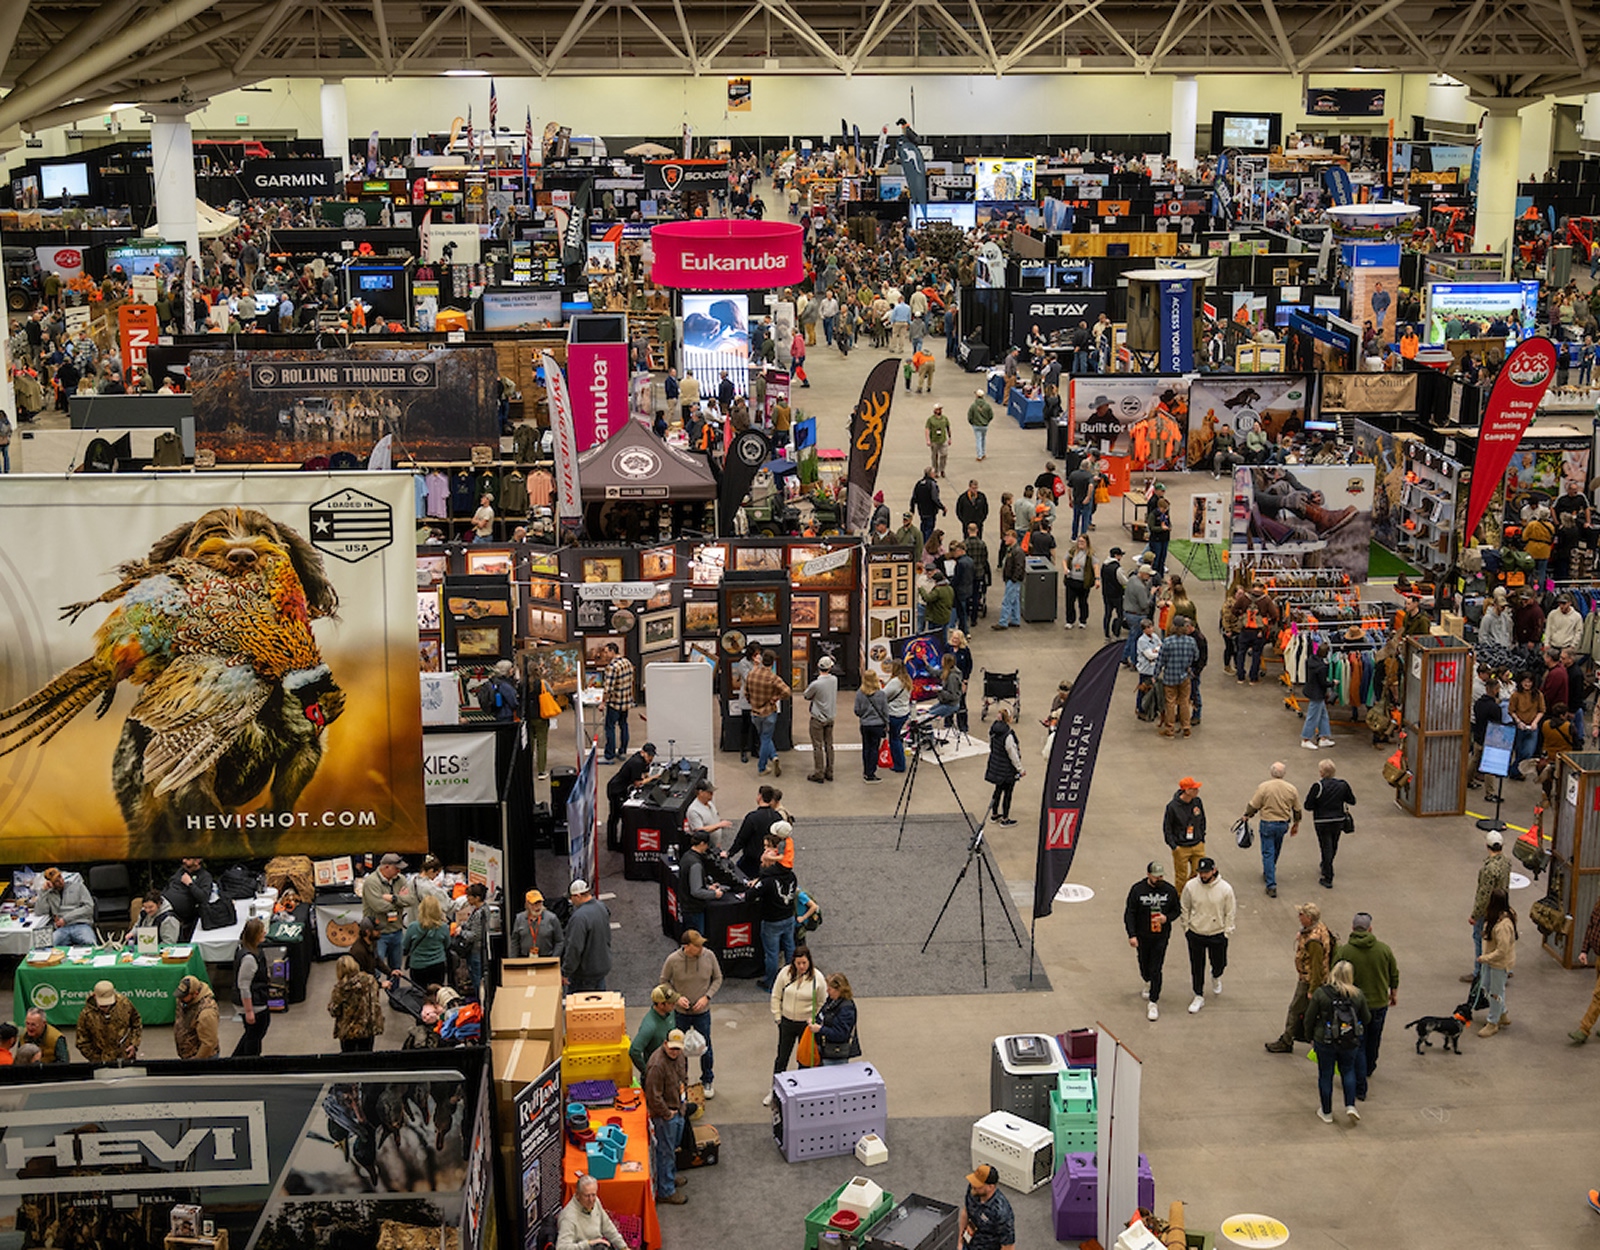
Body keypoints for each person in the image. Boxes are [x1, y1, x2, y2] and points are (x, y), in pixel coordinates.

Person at [1332, 911, 1399, 1097]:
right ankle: (1369, 1067)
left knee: (1358, 1044)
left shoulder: (1344, 951)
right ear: (1370, 929)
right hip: (1379, 1003)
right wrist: (1393, 992)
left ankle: (1360, 1080)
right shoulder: (1384, 950)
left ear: (1353, 928)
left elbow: (1334, 974)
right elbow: (1394, 973)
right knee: (1374, 1037)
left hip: (1354, 1006)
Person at [1305, 960, 1371, 1125]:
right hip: (1349, 1040)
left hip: (1325, 1040)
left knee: (1325, 1074)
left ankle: (1326, 1112)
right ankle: (1350, 1105)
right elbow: (1367, 1018)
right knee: (1348, 1071)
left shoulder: (1321, 994)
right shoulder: (1357, 995)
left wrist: (1310, 1036)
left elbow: (1309, 1018)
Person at [1264, 902, 1334, 1054]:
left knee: (1295, 1010)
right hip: (1312, 980)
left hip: (1308, 981)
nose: (1298, 917)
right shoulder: (1319, 928)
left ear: (1309, 918)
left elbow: (1316, 967)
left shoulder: (1314, 941)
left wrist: (1312, 989)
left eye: (1301, 915)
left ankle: (1287, 1040)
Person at [661, 929, 723, 1097]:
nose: (701, 948)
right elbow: (664, 981)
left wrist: (707, 997)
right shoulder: (673, 960)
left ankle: (707, 1080)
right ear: (687, 946)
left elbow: (718, 978)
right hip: (680, 1013)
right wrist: (676, 998)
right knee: (679, 1048)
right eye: (697, 946)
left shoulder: (709, 956)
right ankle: (682, 1081)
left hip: (702, 1012)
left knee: (705, 1046)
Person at [1125, 861, 1181, 1022]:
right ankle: (1147, 980)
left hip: (1160, 936)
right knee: (1144, 965)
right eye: (1156, 876)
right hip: (1142, 936)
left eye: (1161, 876)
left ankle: (1153, 1001)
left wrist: (1166, 918)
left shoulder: (1169, 891)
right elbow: (1130, 913)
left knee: (1156, 968)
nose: (1159, 879)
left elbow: (1177, 910)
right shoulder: (1138, 890)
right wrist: (1132, 935)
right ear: (1148, 875)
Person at [1180, 857, 1235, 1014]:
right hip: (1196, 932)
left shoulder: (1225, 889)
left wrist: (1227, 932)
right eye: (1201, 872)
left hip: (1217, 933)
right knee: (1196, 966)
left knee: (1220, 963)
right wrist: (1186, 927)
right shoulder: (1191, 886)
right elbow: (1185, 906)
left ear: (1214, 870)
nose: (1203, 875)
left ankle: (1216, 975)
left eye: (1206, 872)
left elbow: (1230, 911)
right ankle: (1198, 995)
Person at [768, 946, 824, 1097]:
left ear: (809, 962)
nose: (801, 966)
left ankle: (803, 1091)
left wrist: (813, 1019)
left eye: (804, 963)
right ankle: (775, 1091)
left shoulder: (817, 978)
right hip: (786, 1022)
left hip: (806, 1025)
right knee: (782, 1058)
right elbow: (776, 995)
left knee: (804, 1058)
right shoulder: (785, 973)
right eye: (798, 963)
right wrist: (778, 1017)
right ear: (793, 962)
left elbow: (822, 1002)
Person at [1243, 761, 1303, 898]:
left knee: (1267, 852)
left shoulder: (1264, 787)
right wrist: (1296, 823)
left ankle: (1271, 883)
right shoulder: (1291, 789)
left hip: (1267, 823)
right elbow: (1297, 809)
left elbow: (1254, 804)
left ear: (1271, 772)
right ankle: (1270, 870)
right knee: (1276, 849)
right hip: (1282, 823)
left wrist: (1247, 815)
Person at [644, 1029, 689, 1204]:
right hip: (665, 1116)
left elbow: (683, 1079)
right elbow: (653, 1096)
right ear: (665, 1044)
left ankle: (669, 1176)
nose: (675, 1052)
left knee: (672, 1148)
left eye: (678, 1048)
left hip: (678, 1109)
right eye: (672, 1048)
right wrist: (667, 1113)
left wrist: (683, 1105)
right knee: (665, 1152)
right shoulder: (657, 1065)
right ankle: (666, 1190)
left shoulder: (681, 1057)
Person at [752, 835, 800, 990]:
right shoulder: (791, 876)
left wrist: (760, 878)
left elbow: (750, 896)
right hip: (788, 917)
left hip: (772, 921)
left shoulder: (767, 881)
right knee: (790, 949)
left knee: (772, 953)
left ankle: (770, 982)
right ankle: (793, 978)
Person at [1465, 830, 1511, 982]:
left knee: (1480, 938)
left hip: (1489, 910)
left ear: (1487, 846)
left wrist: (1475, 915)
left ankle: (1479, 972)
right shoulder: (1506, 863)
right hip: (1502, 907)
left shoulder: (1488, 869)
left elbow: (1484, 895)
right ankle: (1505, 968)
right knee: (1501, 939)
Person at [1305, 760, 1356, 889]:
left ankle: (1328, 875)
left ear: (1322, 773)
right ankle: (1326, 864)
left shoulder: (1318, 786)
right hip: (1338, 819)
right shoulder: (1343, 785)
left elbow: (1308, 805)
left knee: (1325, 846)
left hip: (1322, 821)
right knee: (1333, 844)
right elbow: (1352, 800)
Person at [1475, 887, 1518, 1037]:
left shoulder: (1503, 926)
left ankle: (1492, 1023)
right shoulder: (1496, 917)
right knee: (1486, 986)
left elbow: (1502, 951)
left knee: (1495, 993)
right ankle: (1502, 1013)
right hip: (1491, 961)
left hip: (1499, 964)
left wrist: (1484, 958)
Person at [362, 853, 415, 974]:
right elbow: (379, 906)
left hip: (397, 931)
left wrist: (393, 898)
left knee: (396, 968)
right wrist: (400, 901)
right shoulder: (371, 882)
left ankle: (394, 987)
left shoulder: (400, 879)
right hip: (378, 933)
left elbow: (411, 900)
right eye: (396, 868)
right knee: (376, 969)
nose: (399, 871)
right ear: (386, 867)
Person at [605, 741, 660, 851]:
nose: (651, 758)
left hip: (622, 789)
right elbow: (638, 783)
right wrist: (653, 778)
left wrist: (648, 776)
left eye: (652, 756)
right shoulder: (636, 762)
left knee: (621, 817)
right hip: (617, 791)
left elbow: (644, 774)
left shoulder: (643, 761)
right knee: (616, 817)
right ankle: (614, 844)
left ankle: (622, 842)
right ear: (643, 752)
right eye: (649, 755)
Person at [746, 648, 792, 777]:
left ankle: (774, 756)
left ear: (762, 660)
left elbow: (746, 693)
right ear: (773, 662)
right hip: (769, 713)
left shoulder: (751, 674)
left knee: (764, 737)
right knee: (766, 738)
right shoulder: (773, 678)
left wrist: (752, 702)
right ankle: (762, 767)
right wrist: (776, 698)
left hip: (755, 713)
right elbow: (787, 692)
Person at [556, 1173, 630, 1250]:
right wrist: (589, 1244)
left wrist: (623, 1247)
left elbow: (608, 1227)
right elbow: (561, 1247)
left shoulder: (595, 1202)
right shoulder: (568, 1217)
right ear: (577, 1195)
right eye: (587, 1196)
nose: (591, 1200)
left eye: (593, 1195)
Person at [328, 954, 385, 1053]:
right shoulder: (370, 980)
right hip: (368, 1027)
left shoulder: (340, 988)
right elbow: (375, 1000)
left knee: (349, 1057)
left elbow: (334, 1011)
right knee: (366, 1055)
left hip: (349, 1031)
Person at [563, 879, 613, 992]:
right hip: (601, 967)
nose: (571, 901)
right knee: (600, 1001)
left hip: (584, 975)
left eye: (571, 898)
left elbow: (574, 948)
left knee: (581, 1003)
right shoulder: (601, 907)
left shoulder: (579, 917)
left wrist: (566, 972)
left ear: (578, 896)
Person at [76, 980, 142, 1064]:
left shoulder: (125, 1004)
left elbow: (136, 1022)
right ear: (95, 996)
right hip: (100, 1062)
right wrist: (97, 1059)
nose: (105, 1008)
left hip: (126, 1058)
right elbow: (82, 1042)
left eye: (107, 1005)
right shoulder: (86, 1014)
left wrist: (134, 1045)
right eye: (102, 1006)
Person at [679, 828, 729, 936]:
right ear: (702, 843)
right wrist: (714, 894)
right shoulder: (696, 864)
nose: (707, 847)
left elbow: (689, 881)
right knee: (696, 939)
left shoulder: (687, 856)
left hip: (685, 904)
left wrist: (707, 887)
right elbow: (696, 891)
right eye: (706, 844)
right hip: (693, 908)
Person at [232, 917, 271, 1057]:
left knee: (252, 1033)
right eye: (261, 931)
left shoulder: (249, 950)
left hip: (256, 998)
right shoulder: (249, 959)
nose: (265, 933)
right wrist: (249, 1011)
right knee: (255, 1035)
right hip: (253, 1002)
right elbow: (244, 986)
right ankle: (251, 1060)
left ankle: (236, 1059)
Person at [1155, 616, 1199, 738]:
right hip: (1185, 676)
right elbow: (1196, 657)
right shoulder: (1191, 641)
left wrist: (1155, 675)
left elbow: (1160, 660)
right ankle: (1186, 728)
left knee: (1170, 703)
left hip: (1170, 677)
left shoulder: (1167, 642)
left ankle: (1170, 729)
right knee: (1184, 701)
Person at [729, 784, 786, 877]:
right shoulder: (777, 817)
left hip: (751, 861)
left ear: (760, 797)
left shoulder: (752, 817)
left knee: (738, 875)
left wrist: (729, 853)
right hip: (771, 859)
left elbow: (741, 839)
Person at [33, 867, 96, 946]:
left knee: (90, 943)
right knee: (46, 946)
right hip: (61, 929)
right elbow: (39, 912)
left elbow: (89, 907)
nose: (60, 881)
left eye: (60, 877)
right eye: (56, 881)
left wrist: (65, 919)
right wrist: (43, 891)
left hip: (80, 924)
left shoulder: (78, 886)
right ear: (51, 883)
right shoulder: (49, 894)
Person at [1164, 777, 1207, 890]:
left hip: (1197, 844)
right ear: (1187, 790)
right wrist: (1174, 846)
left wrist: (1201, 838)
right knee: (1181, 877)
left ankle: (1193, 894)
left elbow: (1202, 820)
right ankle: (1180, 897)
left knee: (1198, 873)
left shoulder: (1197, 802)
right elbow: (1167, 828)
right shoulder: (1172, 807)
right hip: (1181, 847)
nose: (1197, 791)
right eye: (1194, 789)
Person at [960, 1164, 1016, 1250]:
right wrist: (960, 1242)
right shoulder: (973, 1190)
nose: (973, 1186)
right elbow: (966, 1212)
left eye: (978, 1185)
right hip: (969, 1243)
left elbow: (1008, 1246)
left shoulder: (1001, 1212)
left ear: (990, 1187)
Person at [1568, 897, 1600, 1044]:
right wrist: (1584, 950)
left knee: (1598, 995)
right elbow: (1591, 927)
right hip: (1598, 957)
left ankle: (1584, 1029)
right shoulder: (1598, 905)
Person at [810, 972, 860, 1064]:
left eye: (830, 989)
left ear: (839, 989)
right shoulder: (831, 1001)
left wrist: (820, 1029)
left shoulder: (846, 1009)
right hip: (825, 1050)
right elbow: (822, 1015)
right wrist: (815, 1022)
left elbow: (841, 1034)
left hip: (836, 1054)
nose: (827, 991)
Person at [984, 707, 1024, 825]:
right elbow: (1013, 753)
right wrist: (1020, 769)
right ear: (1009, 719)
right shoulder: (1008, 735)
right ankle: (1005, 818)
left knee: (998, 790)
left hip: (996, 764)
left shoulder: (993, 730)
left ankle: (994, 814)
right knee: (1008, 793)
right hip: (1007, 768)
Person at [803, 656, 839, 783]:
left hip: (818, 718)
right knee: (829, 745)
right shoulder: (834, 680)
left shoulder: (816, 684)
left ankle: (819, 773)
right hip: (830, 717)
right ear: (830, 667)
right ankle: (830, 771)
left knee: (817, 746)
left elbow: (806, 695)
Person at [403, 894, 450, 990]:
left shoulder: (413, 927)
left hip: (418, 965)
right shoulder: (443, 927)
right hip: (437, 965)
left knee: (418, 993)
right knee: (437, 993)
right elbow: (447, 944)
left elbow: (405, 946)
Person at [631, 984, 679, 1077]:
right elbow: (634, 1051)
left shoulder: (670, 1013)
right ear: (661, 1004)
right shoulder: (649, 1026)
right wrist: (647, 1071)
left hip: (669, 1068)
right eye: (671, 1003)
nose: (674, 1005)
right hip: (656, 1075)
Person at [600, 642, 636, 762]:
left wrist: (603, 703)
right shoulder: (627, 662)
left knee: (610, 728)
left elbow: (608, 689)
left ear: (612, 651)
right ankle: (623, 751)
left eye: (606, 652)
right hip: (625, 702)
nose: (605, 655)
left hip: (615, 703)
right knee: (623, 725)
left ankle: (609, 756)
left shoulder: (612, 667)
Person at [163, 856, 214, 938]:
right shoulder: (181, 871)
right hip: (164, 903)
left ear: (197, 861)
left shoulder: (205, 876)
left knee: (159, 916)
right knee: (145, 909)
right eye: (184, 858)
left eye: (188, 859)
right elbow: (169, 885)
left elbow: (203, 898)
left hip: (178, 912)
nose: (183, 861)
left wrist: (190, 884)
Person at [173, 974, 221, 1059]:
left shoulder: (206, 1013)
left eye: (184, 996)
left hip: (204, 1058)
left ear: (195, 994)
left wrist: (196, 1060)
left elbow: (209, 1043)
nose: (180, 998)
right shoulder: (184, 1002)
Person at [1299, 637, 1335, 749]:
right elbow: (1323, 683)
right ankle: (1306, 739)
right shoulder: (1322, 667)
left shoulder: (1311, 660)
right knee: (1312, 717)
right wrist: (1333, 683)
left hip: (1311, 690)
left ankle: (1323, 737)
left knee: (1323, 715)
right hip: (1317, 694)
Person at [855, 671, 889, 784]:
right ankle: (871, 773)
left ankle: (866, 771)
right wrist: (887, 723)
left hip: (865, 724)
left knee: (866, 748)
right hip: (877, 724)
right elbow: (885, 711)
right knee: (874, 748)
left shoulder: (860, 693)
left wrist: (864, 714)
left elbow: (857, 710)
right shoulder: (881, 694)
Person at [510, 888, 565, 958]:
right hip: (525, 959)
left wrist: (554, 958)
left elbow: (560, 941)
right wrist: (513, 960)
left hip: (546, 958)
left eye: (540, 903)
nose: (537, 906)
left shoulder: (552, 918)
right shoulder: (519, 919)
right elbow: (515, 941)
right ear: (527, 904)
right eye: (534, 904)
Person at [685, 780, 735, 849]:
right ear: (701, 792)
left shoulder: (710, 803)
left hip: (715, 845)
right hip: (704, 848)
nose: (712, 794)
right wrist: (719, 825)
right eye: (709, 792)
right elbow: (699, 831)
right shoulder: (693, 810)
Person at [883, 659, 913, 772]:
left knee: (894, 740)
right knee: (897, 738)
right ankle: (899, 761)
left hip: (894, 713)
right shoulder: (907, 680)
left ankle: (899, 764)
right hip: (904, 712)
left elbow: (883, 695)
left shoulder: (895, 681)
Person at [993, 529, 1026, 629]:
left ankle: (1003, 622)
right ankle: (1015, 619)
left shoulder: (1017, 551)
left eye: (1007, 537)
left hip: (1013, 580)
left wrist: (1013, 579)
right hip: (1012, 579)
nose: (1005, 539)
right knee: (1015, 600)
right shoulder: (1012, 550)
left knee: (1007, 601)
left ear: (1013, 537)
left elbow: (1019, 567)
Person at [1100, 546, 1128, 639]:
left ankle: (1106, 633)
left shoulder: (1104, 565)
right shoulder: (1117, 568)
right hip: (1117, 594)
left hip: (1106, 593)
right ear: (1116, 556)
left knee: (1107, 614)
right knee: (1120, 614)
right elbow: (1123, 581)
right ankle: (1116, 633)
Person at [968, 390, 995, 461]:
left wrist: (972, 422)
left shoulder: (973, 405)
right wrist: (987, 421)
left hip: (976, 425)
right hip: (984, 425)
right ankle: (983, 453)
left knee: (978, 440)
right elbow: (991, 415)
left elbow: (970, 416)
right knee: (983, 439)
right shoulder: (987, 405)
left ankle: (979, 455)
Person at [925, 404, 951, 476]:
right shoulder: (931, 419)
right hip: (934, 440)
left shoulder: (944, 418)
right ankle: (935, 471)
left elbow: (948, 428)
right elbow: (927, 429)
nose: (939, 411)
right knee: (934, 456)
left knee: (944, 454)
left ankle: (942, 469)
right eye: (938, 409)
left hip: (943, 439)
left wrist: (950, 437)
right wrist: (928, 440)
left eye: (940, 409)